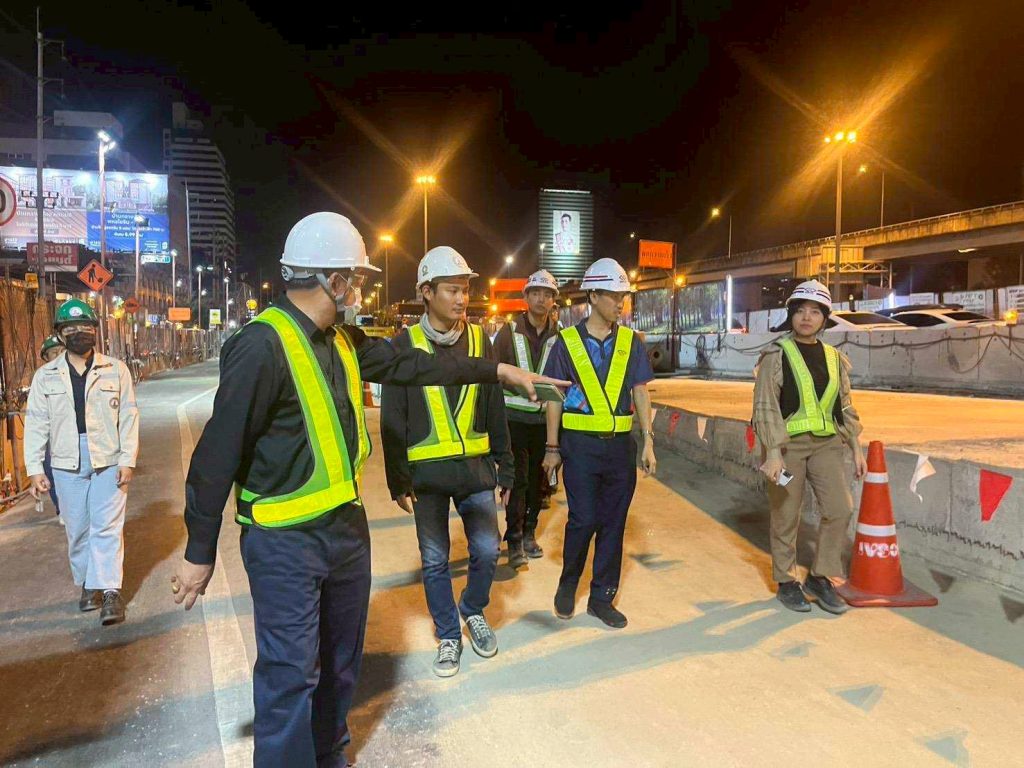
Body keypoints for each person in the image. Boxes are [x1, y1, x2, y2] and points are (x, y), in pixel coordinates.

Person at [171, 214, 565, 767]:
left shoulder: (345, 340)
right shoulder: (260, 346)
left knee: (340, 664)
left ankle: (330, 754)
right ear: (332, 281)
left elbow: (418, 366)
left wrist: (498, 372)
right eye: (355, 279)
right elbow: (216, 454)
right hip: (283, 542)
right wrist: (199, 550)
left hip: (346, 531)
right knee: (290, 676)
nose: (358, 289)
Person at [381, 246, 511, 678]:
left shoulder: (480, 339)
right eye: (452, 290)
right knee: (435, 560)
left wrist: (506, 464)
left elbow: (494, 404)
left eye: (465, 290)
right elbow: (393, 415)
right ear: (426, 292)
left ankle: (471, 608)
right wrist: (398, 478)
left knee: (488, 550)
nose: (461, 298)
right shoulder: (403, 346)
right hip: (427, 477)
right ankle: (449, 635)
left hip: (476, 470)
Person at [541, 258, 656, 629]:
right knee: (583, 519)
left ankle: (602, 598)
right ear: (592, 296)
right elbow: (554, 398)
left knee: (613, 523)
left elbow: (640, 391)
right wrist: (552, 448)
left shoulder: (631, 342)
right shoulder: (566, 343)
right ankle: (568, 583)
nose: (620, 303)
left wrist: (648, 440)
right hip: (579, 448)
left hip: (620, 449)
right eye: (613, 296)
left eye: (623, 296)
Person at [753, 279, 866, 615]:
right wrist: (773, 452)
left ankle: (819, 576)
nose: (806, 317)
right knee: (786, 514)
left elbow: (844, 404)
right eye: (800, 310)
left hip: (827, 446)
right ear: (791, 314)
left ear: (824, 318)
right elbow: (765, 406)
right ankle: (787, 581)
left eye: (815, 312)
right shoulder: (776, 354)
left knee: (840, 509)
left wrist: (856, 446)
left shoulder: (834, 358)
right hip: (786, 449)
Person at [24, 299, 139, 625]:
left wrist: (127, 459)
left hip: (108, 456)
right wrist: (34, 468)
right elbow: (36, 422)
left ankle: (111, 591)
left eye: (85, 327)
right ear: (60, 334)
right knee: (77, 529)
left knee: (107, 527)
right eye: (71, 328)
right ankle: (90, 582)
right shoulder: (46, 376)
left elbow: (129, 416)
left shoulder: (115, 369)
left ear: (95, 330)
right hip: (65, 460)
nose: (79, 333)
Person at [491, 269, 561, 566]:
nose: (541, 299)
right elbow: (493, 373)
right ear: (526, 297)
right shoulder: (508, 333)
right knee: (517, 481)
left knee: (539, 483)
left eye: (547, 295)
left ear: (553, 300)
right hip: (514, 422)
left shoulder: (560, 336)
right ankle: (515, 539)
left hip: (545, 424)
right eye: (536, 293)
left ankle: (530, 532)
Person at [39, 335, 65, 521]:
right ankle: (61, 508)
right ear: (46, 358)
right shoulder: (42, 379)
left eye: (62, 351)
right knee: (50, 468)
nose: (59, 356)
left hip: (75, 433)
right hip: (52, 434)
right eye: (54, 353)